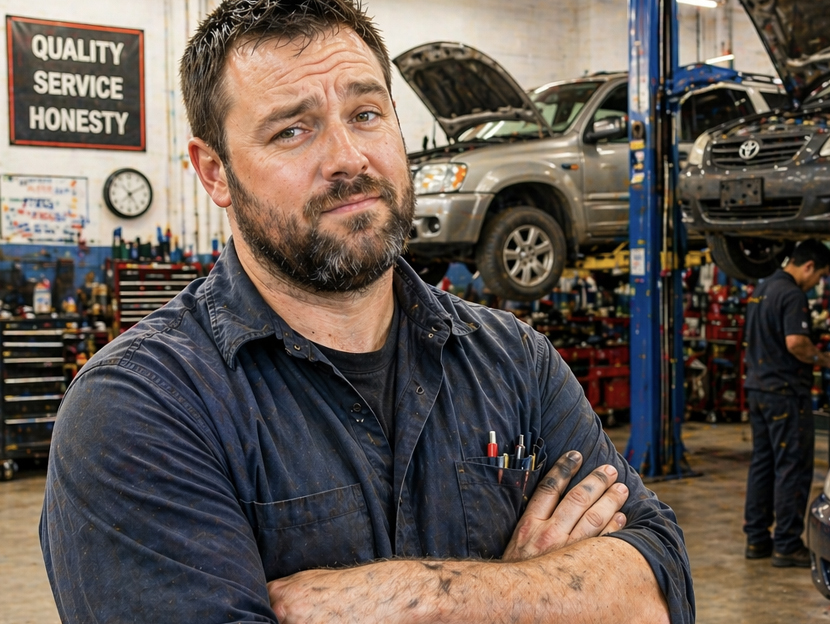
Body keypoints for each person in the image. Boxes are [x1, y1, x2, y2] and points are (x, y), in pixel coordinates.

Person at [39, 1, 693, 623]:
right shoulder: (139, 408)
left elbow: (659, 593)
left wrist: (423, 600)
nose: (349, 159)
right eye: (292, 130)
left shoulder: (513, 362)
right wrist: (540, 594)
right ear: (214, 172)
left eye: (367, 113)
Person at [741, 239, 830, 568]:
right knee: (791, 468)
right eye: (819, 275)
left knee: (763, 465)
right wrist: (823, 359)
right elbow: (796, 342)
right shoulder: (793, 295)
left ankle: (756, 539)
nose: (816, 283)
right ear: (808, 266)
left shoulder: (761, 289)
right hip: (784, 393)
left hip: (757, 390)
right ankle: (786, 544)